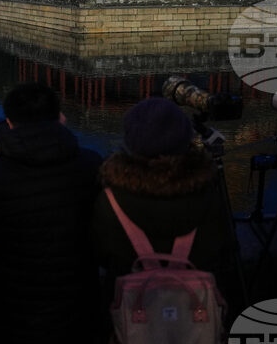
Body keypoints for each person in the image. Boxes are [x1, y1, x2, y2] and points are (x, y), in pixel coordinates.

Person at [0, 82, 102, 344]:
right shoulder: (91, 163)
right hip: (79, 294)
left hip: (12, 298)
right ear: (59, 117)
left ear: (10, 123)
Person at [91, 98, 238, 298]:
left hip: (130, 310)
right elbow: (226, 251)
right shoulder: (209, 197)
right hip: (195, 310)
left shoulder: (110, 201)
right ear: (186, 142)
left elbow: (100, 254)